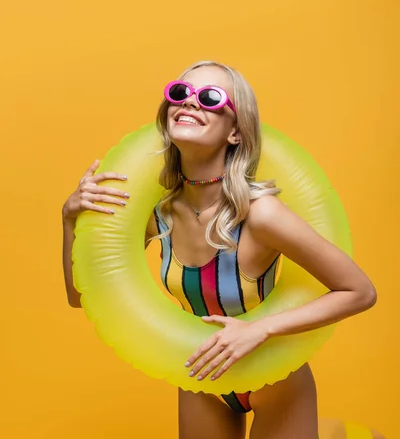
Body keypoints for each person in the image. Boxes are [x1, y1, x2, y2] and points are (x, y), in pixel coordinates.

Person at [62, 60, 377, 439]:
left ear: (235, 132)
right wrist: (69, 221)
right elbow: (81, 297)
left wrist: (259, 330)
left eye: (210, 98)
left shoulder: (262, 215)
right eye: (180, 93)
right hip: (202, 380)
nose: (190, 103)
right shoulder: (160, 215)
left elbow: (360, 291)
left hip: (274, 380)